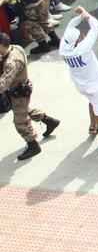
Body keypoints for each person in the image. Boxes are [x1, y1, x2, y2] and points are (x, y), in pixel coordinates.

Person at [58, 7, 98, 147]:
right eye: (80, 35)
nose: (83, 35)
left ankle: (93, 127)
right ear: (78, 41)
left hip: (81, 86)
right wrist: (86, 13)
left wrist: (80, 17)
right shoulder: (83, 48)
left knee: (92, 102)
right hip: (96, 86)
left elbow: (70, 25)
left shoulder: (63, 48)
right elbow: (95, 26)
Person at [0, 31, 60, 160]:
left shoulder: (11, 62)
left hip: (18, 92)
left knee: (20, 121)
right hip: (20, 89)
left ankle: (33, 145)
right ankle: (49, 121)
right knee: (24, 110)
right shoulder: (16, 48)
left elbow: (2, 85)